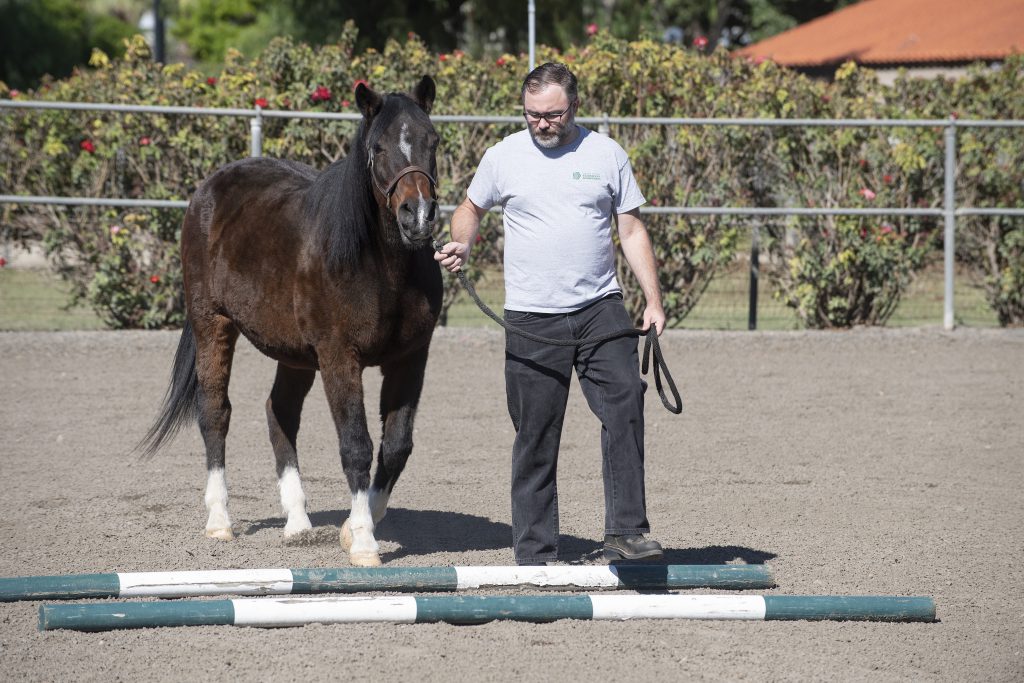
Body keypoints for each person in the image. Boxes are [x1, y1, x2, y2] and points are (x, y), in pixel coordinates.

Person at [434, 62, 666, 565]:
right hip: (531, 316)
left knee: (626, 397)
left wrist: (652, 301)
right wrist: (461, 243)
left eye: (553, 114)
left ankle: (627, 531)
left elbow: (631, 230)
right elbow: (471, 208)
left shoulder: (606, 155)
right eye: (533, 114)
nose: (542, 123)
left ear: (573, 108)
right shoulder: (503, 157)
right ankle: (536, 551)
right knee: (536, 430)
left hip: (600, 307)